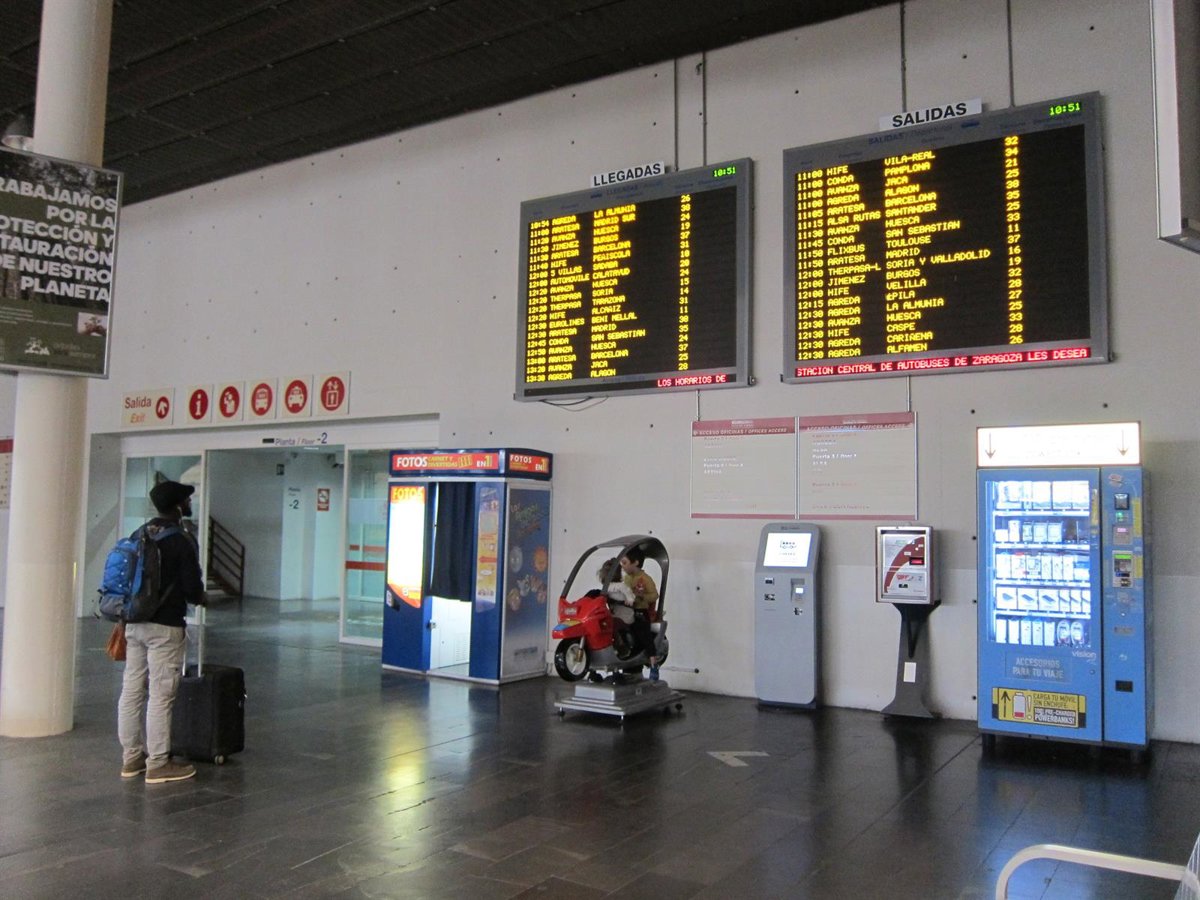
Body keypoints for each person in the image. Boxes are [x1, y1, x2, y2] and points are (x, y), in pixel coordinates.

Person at [117, 480, 206, 784]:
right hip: (165, 627)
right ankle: (158, 763)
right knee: (161, 695)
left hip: (134, 623)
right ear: (179, 506)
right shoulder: (181, 540)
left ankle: (131, 758)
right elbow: (192, 589)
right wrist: (202, 597)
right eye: (187, 500)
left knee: (132, 691)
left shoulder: (139, 534)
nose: (190, 504)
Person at [619, 547, 660, 680]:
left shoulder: (645, 579)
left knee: (644, 634)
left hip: (640, 611)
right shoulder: (626, 579)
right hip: (626, 611)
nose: (622, 566)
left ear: (635, 562)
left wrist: (642, 597)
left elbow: (654, 595)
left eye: (624, 563)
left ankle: (653, 663)